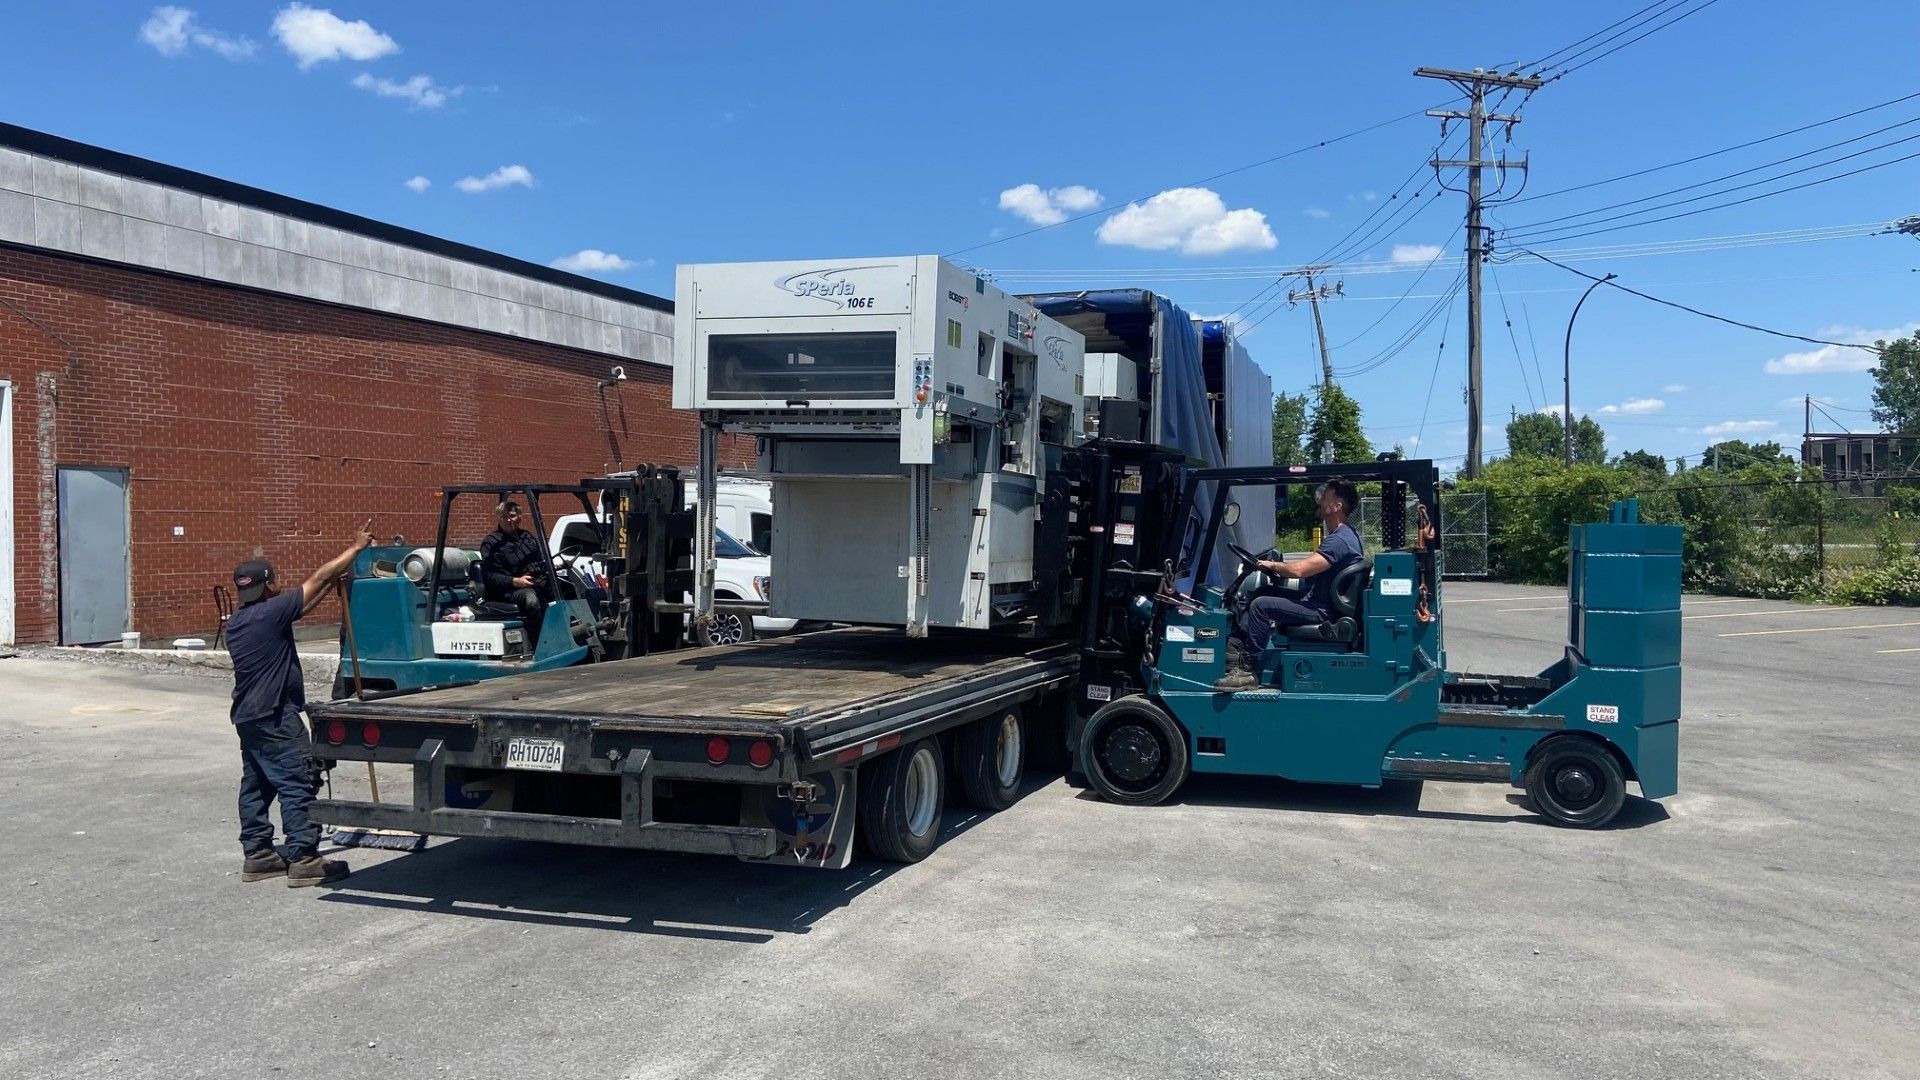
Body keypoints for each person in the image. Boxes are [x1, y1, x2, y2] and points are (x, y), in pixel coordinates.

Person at [227, 521, 372, 886]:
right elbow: (318, 577)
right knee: (298, 780)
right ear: (270, 584)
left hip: (249, 717)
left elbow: (306, 600)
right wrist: (354, 550)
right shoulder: (271, 613)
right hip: (276, 716)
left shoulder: (241, 621)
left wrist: (331, 586)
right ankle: (305, 856)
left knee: (257, 782)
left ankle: (258, 854)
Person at [1215, 480, 1366, 692]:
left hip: (1321, 610)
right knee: (1262, 591)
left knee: (1260, 605)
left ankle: (1248, 671)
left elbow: (1299, 571)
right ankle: (1236, 649)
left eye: (1325, 497)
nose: (1320, 500)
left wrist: (1272, 565)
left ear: (1337, 506)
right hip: (1321, 603)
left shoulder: (1340, 540)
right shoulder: (1347, 536)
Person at [480, 499, 549, 647]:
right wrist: (515, 581)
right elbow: (490, 575)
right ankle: (539, 643)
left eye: (511, 516)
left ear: (519, 517)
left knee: (567, 588)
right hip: (508, 591)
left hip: (533, 582)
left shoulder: (527, 537)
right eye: (504, 516)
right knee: (531, 599)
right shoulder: (491, 543)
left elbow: (539, 560)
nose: (508, 520)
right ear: (499, 518)